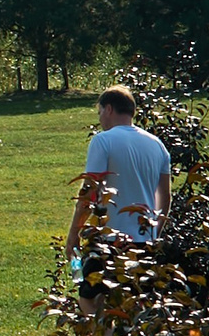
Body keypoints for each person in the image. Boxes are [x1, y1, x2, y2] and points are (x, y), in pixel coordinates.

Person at [66, 85, 172, 255]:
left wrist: (73, 235)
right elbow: (165, 196)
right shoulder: (157, 145)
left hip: (110, 239)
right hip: (145, 238)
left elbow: (90, 190)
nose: (100, 118)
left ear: (108, 109)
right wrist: (154, 233)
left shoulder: (102, 141)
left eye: (99, 112)